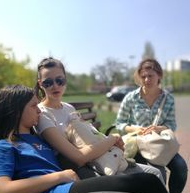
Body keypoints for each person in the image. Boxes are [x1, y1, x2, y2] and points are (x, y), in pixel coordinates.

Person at [0, 85, 190, 193]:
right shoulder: (3, 147)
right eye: (34, 106)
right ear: (15, 111)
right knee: (146, 184)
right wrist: (59, 177)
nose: (40, 110)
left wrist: (109, 145)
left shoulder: (37, 138)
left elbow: (72, 152)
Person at [34, 57, 164, 181]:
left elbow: (90, 135)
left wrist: (114, 145)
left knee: (155, 173)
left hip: (101, 159)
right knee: (150, 179)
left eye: (59, 80)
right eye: (48, 82)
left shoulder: (68, 108)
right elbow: (78, 158)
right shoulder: (43, 115)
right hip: (84, 169)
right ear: (40, 84)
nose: (55, 86)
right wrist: (112, 139)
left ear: (65, 80)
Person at [115, 58, 189, 193]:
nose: (147, 80)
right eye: (143, 76)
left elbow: (171, 124)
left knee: (180, 166)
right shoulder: (131, 97)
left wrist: (157, 128)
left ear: (159, 76)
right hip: (138, 144)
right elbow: (120, 124)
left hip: (159, 144)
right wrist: (136, 128)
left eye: (151, 76)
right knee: (159, 172)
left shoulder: (167, 98)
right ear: (139, 77)